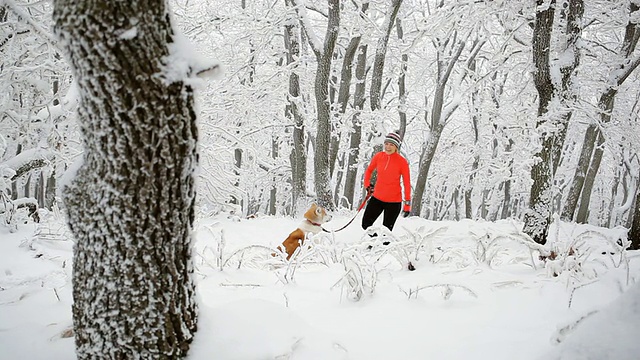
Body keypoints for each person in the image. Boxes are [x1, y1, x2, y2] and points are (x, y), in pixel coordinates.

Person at [361, 132, 411, 234]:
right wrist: (367, 185)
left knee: (386, 233)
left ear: (396, 147)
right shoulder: (379, 156)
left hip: (393, 203)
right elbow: (369, 170)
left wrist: (407, 205)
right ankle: (375, 243)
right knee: (366, 224)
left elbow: (406, 184)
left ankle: (382, 247)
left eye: (391, 145)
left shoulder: (402, 162)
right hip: (377, 199)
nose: (388, 147)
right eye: (386, 144)